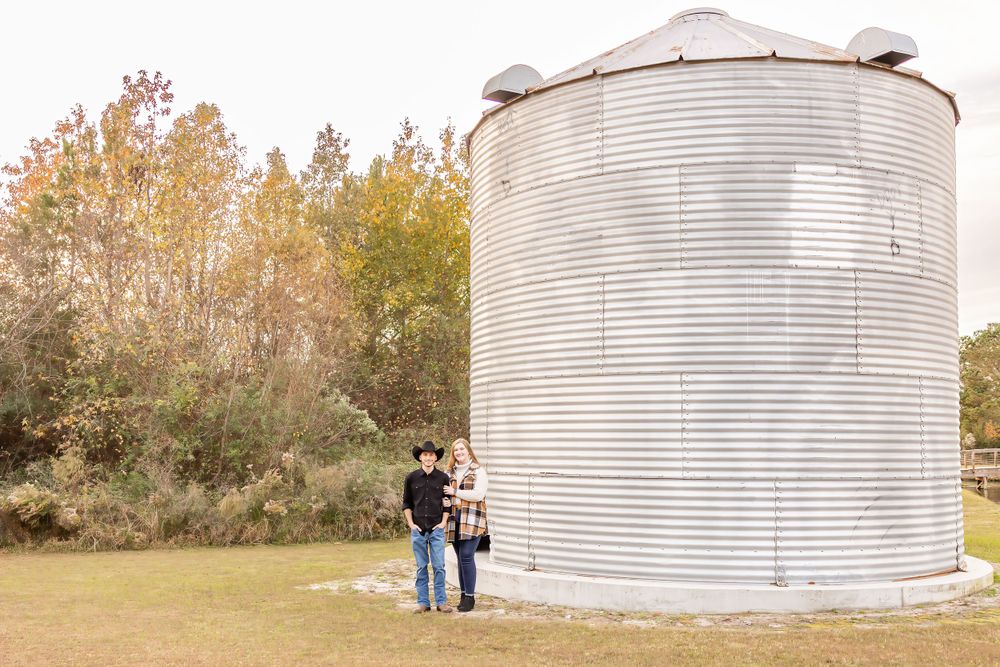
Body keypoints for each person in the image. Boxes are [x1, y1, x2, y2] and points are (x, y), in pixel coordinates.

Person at [402, 440, 453, 613]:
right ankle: (423, 602)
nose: (428, 457)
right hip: (418, 529)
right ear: (420, 457)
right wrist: (411, 524)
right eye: (425, 454)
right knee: (421, 567)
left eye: (431, 455)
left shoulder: (443, 478)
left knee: (439, 566)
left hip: (437, 529)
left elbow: (448, 503)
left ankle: (441, 602)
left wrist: (443, 522)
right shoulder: (411, 478)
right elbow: (406, 503)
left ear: (435, 457)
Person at [443, 438, 488, 612]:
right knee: (461, 558)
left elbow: (478, 495)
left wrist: (455, 492)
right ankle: (463, 594)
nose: (459, 452)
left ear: (468, 451)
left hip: (473, 518)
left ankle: (470, 597)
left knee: (467, 556)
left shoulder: (479, 471)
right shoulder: (449, 473)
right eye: (456, 450)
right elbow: (444, 495)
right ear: (453, 454)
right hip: (455, 518)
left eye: (462, 449)